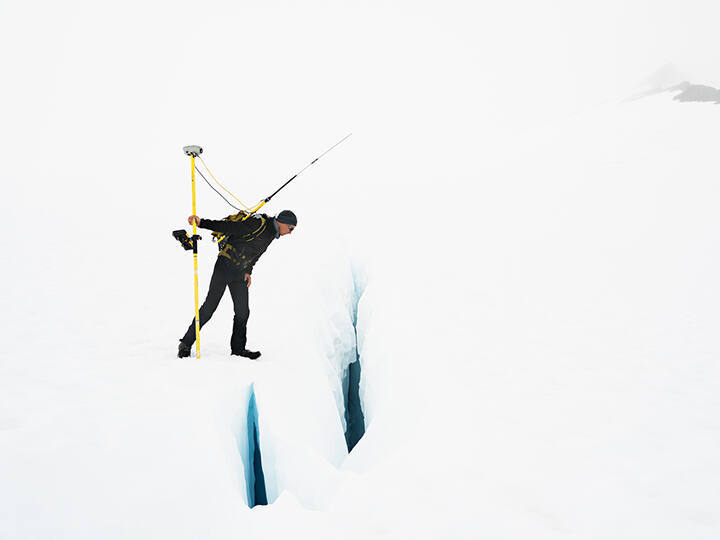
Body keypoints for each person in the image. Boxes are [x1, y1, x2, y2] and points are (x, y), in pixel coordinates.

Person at [177, 210, 297, 359]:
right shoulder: (258, 224)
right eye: (291, 228)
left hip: (240, 273)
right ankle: (186, 344)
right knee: (210, 307)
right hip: (225, 266)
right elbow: (230, 227)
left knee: (243, 312)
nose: (291, 232)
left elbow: (256, 253)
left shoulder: (272, 234)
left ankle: (238, 350)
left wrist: (248, 271)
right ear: (282, 221)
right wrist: (202, 223)